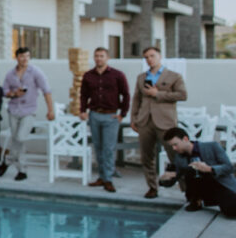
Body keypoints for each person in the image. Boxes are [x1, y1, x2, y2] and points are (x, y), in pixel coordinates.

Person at [131, 46, 188, 199]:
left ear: (159, 56)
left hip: (165, 122)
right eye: (146, 57)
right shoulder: (141, 77)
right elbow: (137, 98)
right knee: (146, 157)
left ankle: (188, 192)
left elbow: (182, 95)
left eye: (152, 56)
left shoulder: (174, 76)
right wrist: (133, 118)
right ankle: (152, 187)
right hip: (145, 121)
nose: (149, 59)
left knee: (176, 157)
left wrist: (158, 94)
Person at [79, 47, 130, 194]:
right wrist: (83, 111)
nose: (99, 59)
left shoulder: (117, 75)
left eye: (101, 56)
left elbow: (126, 95)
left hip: (111, 116)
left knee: (108, 149)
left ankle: (108, 179)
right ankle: (102, 176)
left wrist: (122, 114)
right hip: (94, 115)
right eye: (96, 56)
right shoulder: (88, 75)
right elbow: (83, 95)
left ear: (107, 58)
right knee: (98, 148)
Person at [2, 47, 54, 181]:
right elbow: (5, 91)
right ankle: (21, 170)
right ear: (17, 57)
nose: (25, 59)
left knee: (20, 137)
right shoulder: (10, 74)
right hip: (13, 110)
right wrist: (14, 94)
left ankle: (7, 161)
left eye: (27, 56)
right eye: (22, 56)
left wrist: (50, 110)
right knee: (16, 139)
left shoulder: (35, 72)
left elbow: (46, 90)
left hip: (29, 111)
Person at [162, 127, 236, 216]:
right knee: (190, 169)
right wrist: (164, 179)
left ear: (185, 139)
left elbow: (229, 168)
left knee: (231, 211)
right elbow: (172, 180)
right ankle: (196, 201)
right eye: (171, 146)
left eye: (175, 144)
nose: (174, 148)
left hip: (220, 185)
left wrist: (209, 169)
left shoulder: (212, 146)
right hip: (200, 191)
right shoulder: (179, 157)